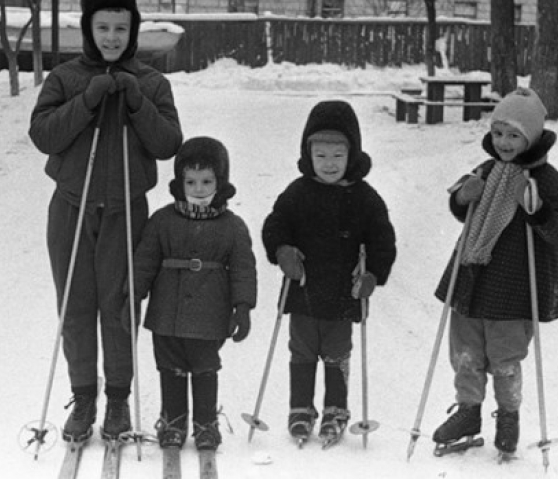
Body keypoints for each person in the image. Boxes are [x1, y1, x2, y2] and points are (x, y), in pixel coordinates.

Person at [29, 0, 182, 442]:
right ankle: (84, 397)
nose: (111, 37)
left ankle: (118, 399)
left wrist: (135, 102)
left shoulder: (152, 82)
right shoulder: (65, 78)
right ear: (88, 30)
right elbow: (44, 136)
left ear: (132, 30)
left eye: (121, 28)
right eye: (102, 28)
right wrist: (88, 99)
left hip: (125, 211)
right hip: (72, 210)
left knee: (118, 308)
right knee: (76, 308)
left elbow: (167, 143)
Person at [431, 88, 558, 457]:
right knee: (466, 351)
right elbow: (462, 208)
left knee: (506, 355)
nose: (504, 142)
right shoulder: (487, 169)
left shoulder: (548, 180)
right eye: (498, 133)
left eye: (514, 135)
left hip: (514, 286)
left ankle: (508, 417)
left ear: (531, 136)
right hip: (473, 279)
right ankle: (467, 411)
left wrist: (538, 210)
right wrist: (463, 196)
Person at [261, 100, 397, 444]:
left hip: (342, 294)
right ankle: (301, 409)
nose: (329, 164)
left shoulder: (365, 198)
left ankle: (336, 409)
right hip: (304, 290)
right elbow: (275, 225)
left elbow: (383, 240)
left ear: (352, 153)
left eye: (337, 155)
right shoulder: (298, 192)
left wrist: (373, 275)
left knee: (336, 354)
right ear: (308, 154)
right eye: (320, 156)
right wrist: (282, 251)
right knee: (302, 353)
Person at [123, 136, 257, 451]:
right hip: (166, 311)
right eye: (191, 180)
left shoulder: (233, 226)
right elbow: (144, 262)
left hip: (211, 312)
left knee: (204, 365)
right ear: (180, 181)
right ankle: (173, 421)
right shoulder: (162, 221)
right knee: (169, 366)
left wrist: (243, 306)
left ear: (220, 181)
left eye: (207, 180)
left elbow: (242, 268)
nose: (198, 188)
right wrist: (134, 295)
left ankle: (206, 423)